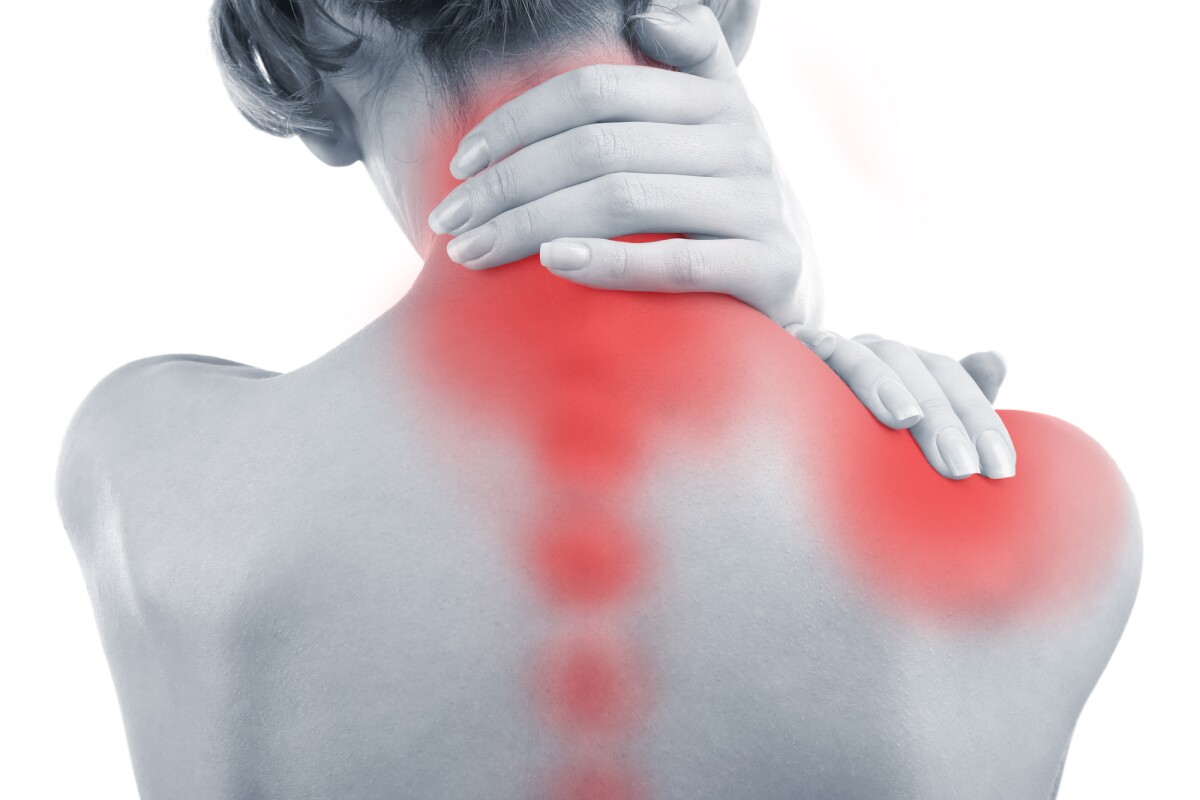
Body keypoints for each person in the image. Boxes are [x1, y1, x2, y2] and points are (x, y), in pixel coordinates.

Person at [55, 2, 1141, 798]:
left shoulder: (154, 470)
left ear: (317, 25)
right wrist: (792, 322)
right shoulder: (1042, 511)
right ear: (710, 14)